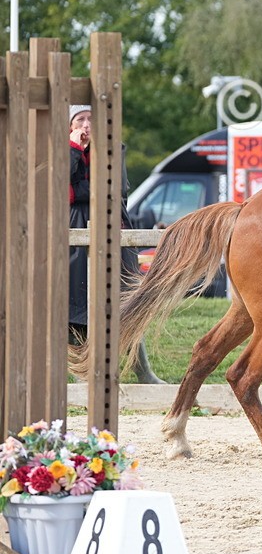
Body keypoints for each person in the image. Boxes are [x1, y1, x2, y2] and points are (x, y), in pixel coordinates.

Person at [68, 104, 166, 384]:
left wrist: (79, 190)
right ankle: (83, 374)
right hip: (77, 229)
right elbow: (61, 187)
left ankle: (143, 371)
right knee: (78, 302)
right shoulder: (64, 150)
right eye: (80, 120)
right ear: (71, 126)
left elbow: (115, 188)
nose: (87, 125)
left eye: (91, 119)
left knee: (128, 298)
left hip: (114, 226)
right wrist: (75, 151)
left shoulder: (112, 148)